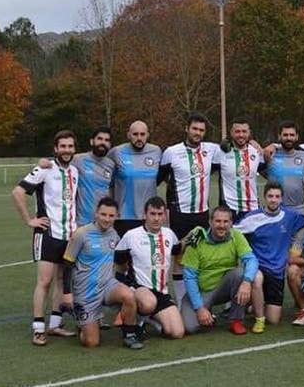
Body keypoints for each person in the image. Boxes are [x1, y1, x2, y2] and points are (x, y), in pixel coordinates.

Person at [12, 129, 80, 346]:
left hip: (69, 236)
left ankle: (55, 324)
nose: (67, 150)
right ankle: (38, 328)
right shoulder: (45, 169)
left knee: (61, 280)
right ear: (55, 148)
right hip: (48, 234)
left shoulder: (75, 172)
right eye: (63, 146)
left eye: (70, 146)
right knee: (44, 281)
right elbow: (18, 192)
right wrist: (29, 220)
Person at [62, 197, 143, 349]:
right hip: (86, 292)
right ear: (96, 214)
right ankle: (82, 322)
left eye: (111, 216)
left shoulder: (114, 234)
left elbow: (121, 261)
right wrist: (67, 293)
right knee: (91, 342)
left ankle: (130, 335)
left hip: (107, 285)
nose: (107, 219)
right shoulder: (81, 234)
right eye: (103, 214)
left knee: (129, 296)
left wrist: (125, 282)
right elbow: (67, 264)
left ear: (116, 216)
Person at [158, 113, 220, 305]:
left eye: (201, 130)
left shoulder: (212, 150)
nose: (198, 133)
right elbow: (159, 178)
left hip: (202, 213)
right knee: (179, 257)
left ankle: (199, 300)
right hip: (179, 213)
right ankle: (181, 302)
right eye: (194, 129)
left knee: (200, 257)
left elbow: (233, 145)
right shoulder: (171, 152)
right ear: (187, 128)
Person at [236, 183, 304, 330]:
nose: (273, 200)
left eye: (277, 196)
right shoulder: (252, 218)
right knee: (256, 278)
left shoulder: (290, 217)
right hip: (258, 268)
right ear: (264, 197)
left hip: (276, 273)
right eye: (270, 196)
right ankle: (259, 319)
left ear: (281, 199)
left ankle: (255, 303)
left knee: (274, 320)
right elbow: (230, 231)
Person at [180, 206, 259, 335]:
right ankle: (207, 311)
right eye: (218, 221)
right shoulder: (197, 241)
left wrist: (246, 282)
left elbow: (251, 260)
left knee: (239, 274)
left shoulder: (236, 236)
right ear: (210, 222)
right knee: (190, 328)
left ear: (231, 223)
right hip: (202, 291)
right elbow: (189, 277)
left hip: (223, 287)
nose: (222, 225)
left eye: (225, 222)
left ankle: (236, 320)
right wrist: (199, 308)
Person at [114, 196, 186, 338]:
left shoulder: (169, 235)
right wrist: (125, 290)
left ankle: (148, 320)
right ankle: (135, 318)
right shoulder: (131, 236)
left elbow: (178, 250)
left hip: (162, 293)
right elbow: (119, 263)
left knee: (177, 333)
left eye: (160, 214)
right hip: (139, 289)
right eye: (152, 214)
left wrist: (190, 237)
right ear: (144, 215)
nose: (156, 218)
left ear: (165, 216)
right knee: (148, 303)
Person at [38, 127, 114, 227]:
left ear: (110, 144)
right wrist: (43, 161)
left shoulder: (111, 164)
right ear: (92, 141)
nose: (102, 142)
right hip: (81, 222)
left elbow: (111, 189)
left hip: (103, 222)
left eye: (106, 140)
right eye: (99, 139)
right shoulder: (78, 159)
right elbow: (60, 160)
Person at [108, 121, 162, 237]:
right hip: (123, 216)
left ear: (147, 135)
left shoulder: (156, 151)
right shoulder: (116, 152)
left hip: (149, 216)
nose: (139, 138)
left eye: (142, 134)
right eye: (135, 134)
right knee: (123, 254)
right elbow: (107, 180)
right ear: (128, 135)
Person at [218, 118, 265, 221]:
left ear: (249, 133)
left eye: (244, 131)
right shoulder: (220, 152)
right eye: (237, 131)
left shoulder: (256, 152)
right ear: (231, 133)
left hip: (252, 208)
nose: (241, 135)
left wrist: (273, 145)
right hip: (230, 209)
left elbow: (268, 167)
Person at [264, 120, 304, 211]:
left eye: (292, 135)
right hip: (276, 209)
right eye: (285, 135)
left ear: (297, 137)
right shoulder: (270, 154)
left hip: (298, 208)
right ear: (279, 136)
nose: (288, 138)